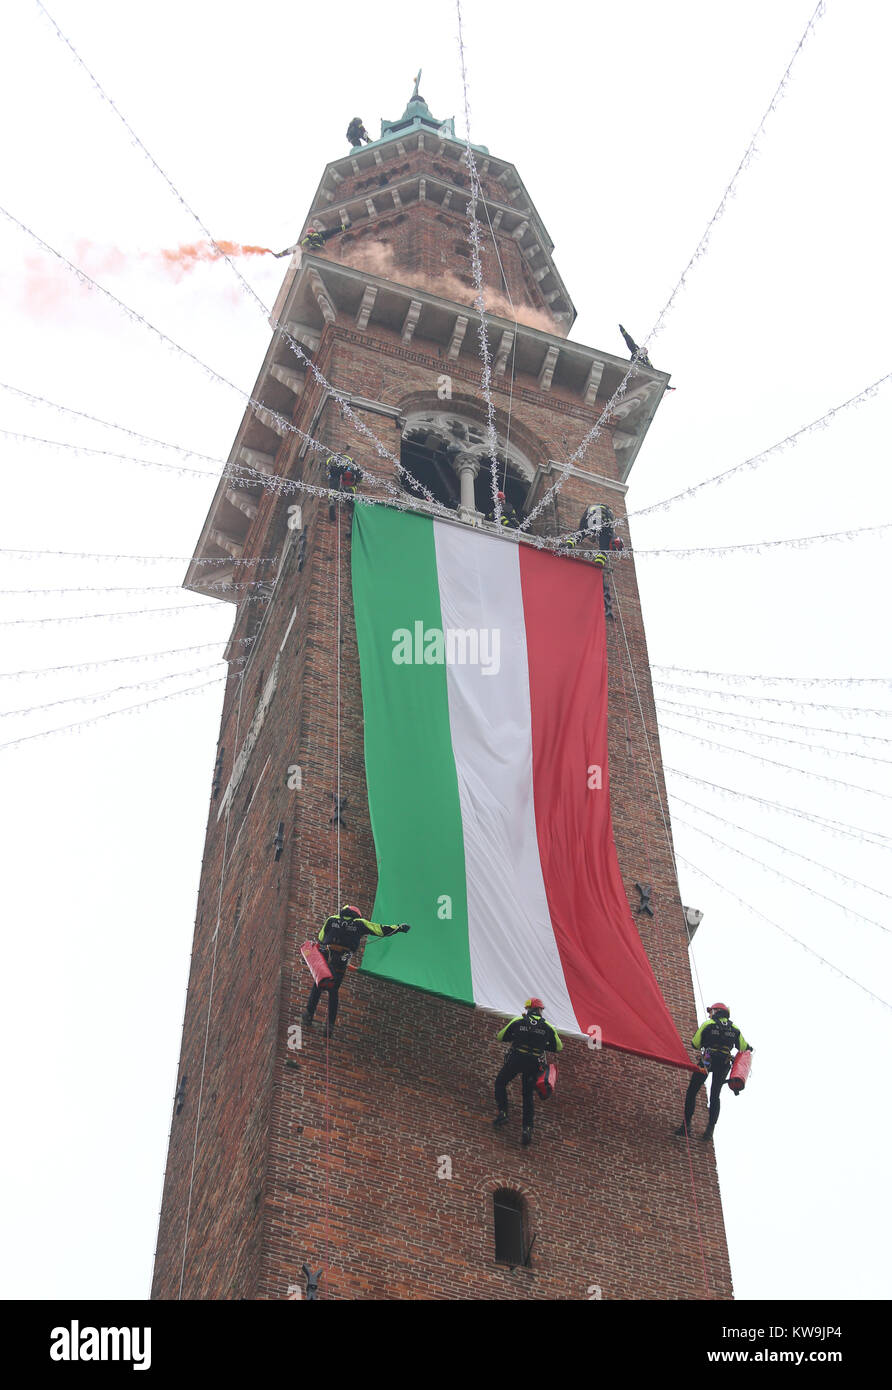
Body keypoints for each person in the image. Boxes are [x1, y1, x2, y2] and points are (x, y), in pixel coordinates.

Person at [303, 905, 411, 1037]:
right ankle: (329, 1026)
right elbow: (380, 930)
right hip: (342, 959)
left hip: (326, 955)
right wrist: (398, 928)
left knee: (319, 983)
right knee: (334, 990)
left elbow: (321, 938)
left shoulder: (331, 919)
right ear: (357, 914)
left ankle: (308, 1014)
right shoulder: (360, 923)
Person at [675, 1002, 751, 1142]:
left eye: (711, 1011)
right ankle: (709, 1130)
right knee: (715, 1094)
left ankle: (686, 1126)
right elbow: (744, 1047)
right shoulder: (734, 1028)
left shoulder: (708, 1024)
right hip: (724, 1062)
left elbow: (695, 1043)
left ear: (717, 1011)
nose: (710, 1014)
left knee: (692, 1090)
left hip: (708, 1059)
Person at [493, 998, 563, 1145]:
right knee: (527, 1096)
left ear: (528, 1009)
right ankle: (527, 1129)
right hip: (533, 1063)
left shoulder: (519, 1020)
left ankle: (503, 1112)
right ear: (539, 1010)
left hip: (517, 1058)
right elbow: (558, 1047)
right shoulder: (547, 1026)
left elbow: (500, 1036)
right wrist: (543, 1046)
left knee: (500, 1082)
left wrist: (516, 1037)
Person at [327, 454, 364, 520]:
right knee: (349, 493)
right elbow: (359, 476)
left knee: (334, 485)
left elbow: (331, 478)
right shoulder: (352, 467)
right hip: (340, 466)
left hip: (334, 465)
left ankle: (332, 501)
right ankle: (353, 508)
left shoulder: (333, 464)